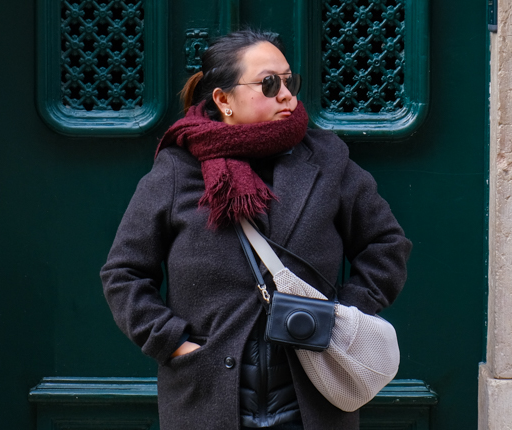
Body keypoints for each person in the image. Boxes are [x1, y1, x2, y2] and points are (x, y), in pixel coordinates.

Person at [101, 29, 412, 430]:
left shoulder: (328, 160)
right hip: (207, 398)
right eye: (269, 83)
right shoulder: (177, 172)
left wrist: (340, 317)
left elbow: (385, 244)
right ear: (223, 100)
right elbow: (123, 273)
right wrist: (172, 342)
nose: (285, 94)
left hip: (313, 402)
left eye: (289, 81)